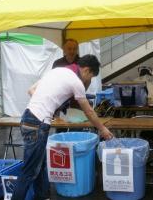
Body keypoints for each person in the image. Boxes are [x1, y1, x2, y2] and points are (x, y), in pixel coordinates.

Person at [12, 55, 113, 200]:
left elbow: (31, 90)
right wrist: (102, 129)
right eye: (90, 76)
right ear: (86, 70)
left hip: (28, 118)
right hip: (38, 124)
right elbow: (89, 111)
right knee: (30, 170)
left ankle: (42, 196)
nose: (88, 81)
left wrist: (50, 105)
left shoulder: (58, 71)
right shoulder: (76, 81)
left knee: (39, 166)